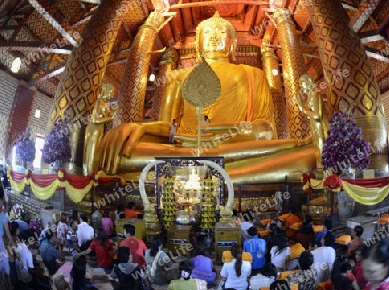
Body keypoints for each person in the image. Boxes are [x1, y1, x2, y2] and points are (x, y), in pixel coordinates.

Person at [98, 11, 317, 183]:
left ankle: (178, 175)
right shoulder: (178, 76)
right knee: (125, 153)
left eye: (221, 32)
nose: (214, 36)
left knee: (306, 155)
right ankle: (224, 175)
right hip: (186, 148)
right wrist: (141, 128)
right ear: (199, 43)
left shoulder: (254, 74)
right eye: (208, 33)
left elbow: (266, 130)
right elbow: (169, 127)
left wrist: (225, 132)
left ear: (232, 44)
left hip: (235, 149)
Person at [83, 82, 118, 174]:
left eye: (113, 92)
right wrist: (110, 117)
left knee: (98, 152)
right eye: (111, 91)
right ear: (105, 90)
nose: (112, 94)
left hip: (101, 130)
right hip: (94, 130)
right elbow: (95, 119)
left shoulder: (106, 105)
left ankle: (94, 175)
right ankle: (90, 175)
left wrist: (112, 114)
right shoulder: (99, 101)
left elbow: (106, 120)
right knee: (93, 152)